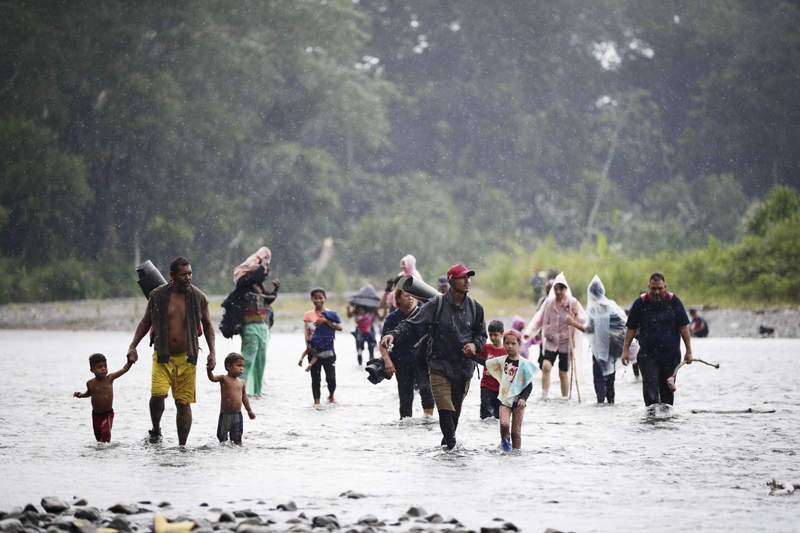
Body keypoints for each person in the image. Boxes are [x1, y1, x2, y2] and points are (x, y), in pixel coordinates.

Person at [381, 264, 487, 450]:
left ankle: (447, 450)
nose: (467, 281)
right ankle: (454, 451)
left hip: (464, 369)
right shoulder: (436, 305)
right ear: (452, 281)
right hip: (439, 366)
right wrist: (393, 335)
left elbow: (481, 335)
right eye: (463, 277)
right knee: (444, 411)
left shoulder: (475, 307)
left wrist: (475, 345)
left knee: (454, 416)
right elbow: (411, 325)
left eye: (468, 277)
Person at [128, 256, 216, 445]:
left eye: (190, 273)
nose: (188, 278)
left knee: (183, 404)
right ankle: (156, 430)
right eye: (184, 274)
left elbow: (208, 326)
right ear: (172, 275)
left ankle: (182, 446)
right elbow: (146, 321)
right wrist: (133, 345)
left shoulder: (199, 297)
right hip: (163, 356)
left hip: (188, 358)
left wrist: (212, 353)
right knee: (158, 395)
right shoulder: (158, 295)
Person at [622, 273, 692, 407]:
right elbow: (631, 328)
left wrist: (689, 350)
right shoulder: (641, 303)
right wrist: (625, 350)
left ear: (665, 287)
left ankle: (665, 422)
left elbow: (684, 327)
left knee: (667, 392)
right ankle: (652, 420)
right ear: (649, 287)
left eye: (660, 288)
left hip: (671, 355)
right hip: (648, 354)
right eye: (653, 289)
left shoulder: (674, 301)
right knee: (650, 388)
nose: (657, 292)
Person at [523, 272, 586, 399]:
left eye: (560, 289)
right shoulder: (549, 303)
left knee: (563, 373)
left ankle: (564, 397)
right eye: (556, 289)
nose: (558, 292)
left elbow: (584, 320)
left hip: (565, 343)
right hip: (551, 341)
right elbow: (539, 319)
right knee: (546, 366)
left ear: (565, 289)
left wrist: (576, 314)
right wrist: (528, 333)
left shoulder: (572, 303)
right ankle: (544, 394)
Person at [566, 276, 627, 404]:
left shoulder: (594, 309)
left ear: (591, 293)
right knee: (610, 381)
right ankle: (611, 405)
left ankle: (600, 405)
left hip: (599, 351)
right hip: (612, 351)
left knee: (599, 379)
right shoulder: (611, 306)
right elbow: (623, 325)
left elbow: (589, 329)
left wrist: (572, 322)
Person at [474, 331, 536, 451]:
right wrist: (471, 356)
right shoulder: (501, 361)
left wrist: (523, 398)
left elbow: (529, 385)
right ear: (503, 344)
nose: (510, 346)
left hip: (518, 403)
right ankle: (506, 448)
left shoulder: (524, 365)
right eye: (507, 343)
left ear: (519, 344)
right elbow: (485, 362)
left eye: (513, 343)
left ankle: (516, 453)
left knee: (516, 431)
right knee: (504, 424)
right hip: (504, 400)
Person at [380, 289, 435, 419]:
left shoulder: (422, 314)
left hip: (423, 361)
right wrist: (387, 361)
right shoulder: (392, 318)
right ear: (398, 299)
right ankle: (406, 426)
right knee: (405, 397)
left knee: (427, 393)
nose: (410, 298)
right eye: (406, 296)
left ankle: (428, 421)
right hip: (402, 361)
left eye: (412, 296)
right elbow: (382, 342)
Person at [233, 247, 280, 396]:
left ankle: (257, 392)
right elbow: (253, 277)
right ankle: (239, 391)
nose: (264, 274)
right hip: (250, 327)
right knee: (247, 360)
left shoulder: (259, 287)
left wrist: (275, 290)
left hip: (262, 327)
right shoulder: (244, 285)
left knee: (261, 361)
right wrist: (260, 266)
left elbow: (269, 299)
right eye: (263, 271)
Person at [74, 353, 136, 443]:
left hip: (107, 414)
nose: (103, 369)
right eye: (99, 367)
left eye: (105, 366)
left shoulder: (110, 379)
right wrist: (81, 395)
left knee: (106, 433)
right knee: (98, 438)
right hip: (95, 415)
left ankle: (107, 454)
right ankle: (100, 455)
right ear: (92, 370)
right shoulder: (90, 383)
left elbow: (123, 370)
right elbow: (90, 393)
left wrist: (130, 362)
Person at [303, 288, 342, 404]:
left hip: (328, 351)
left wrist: (325, 321)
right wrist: (308, 347)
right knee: (315, 378)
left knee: (331, 378)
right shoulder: (308, 315)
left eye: (320, 298)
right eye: (315, 298)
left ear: (325, 299)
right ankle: (317, 402)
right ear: (312, 299)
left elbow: (339, 327)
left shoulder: (330, 314)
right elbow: (306, 332)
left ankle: (331, 395)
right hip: (314, 351)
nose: (318, 300)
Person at [207, 353, 255, 445]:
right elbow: (212, 378)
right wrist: (209, 371)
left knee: (238, 438)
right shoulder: (223, 378)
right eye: (238, 365)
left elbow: (244, 398)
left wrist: (249, 411)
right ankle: (225, 453)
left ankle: (236, 454)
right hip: (225, 415)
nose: (241, 368)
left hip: (237, 415)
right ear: (229, 367)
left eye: (243, 366)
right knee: (222, 438)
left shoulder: (242, 382)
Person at [477, 320, 506, 420]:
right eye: (491, 335)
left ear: (502, 334)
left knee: (498, 415)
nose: (493, 338)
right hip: (486, 385)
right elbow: (475, 355)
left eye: (496, 335)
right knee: (485, 414)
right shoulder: (486, 348)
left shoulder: (506, 351)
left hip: (500, 387)